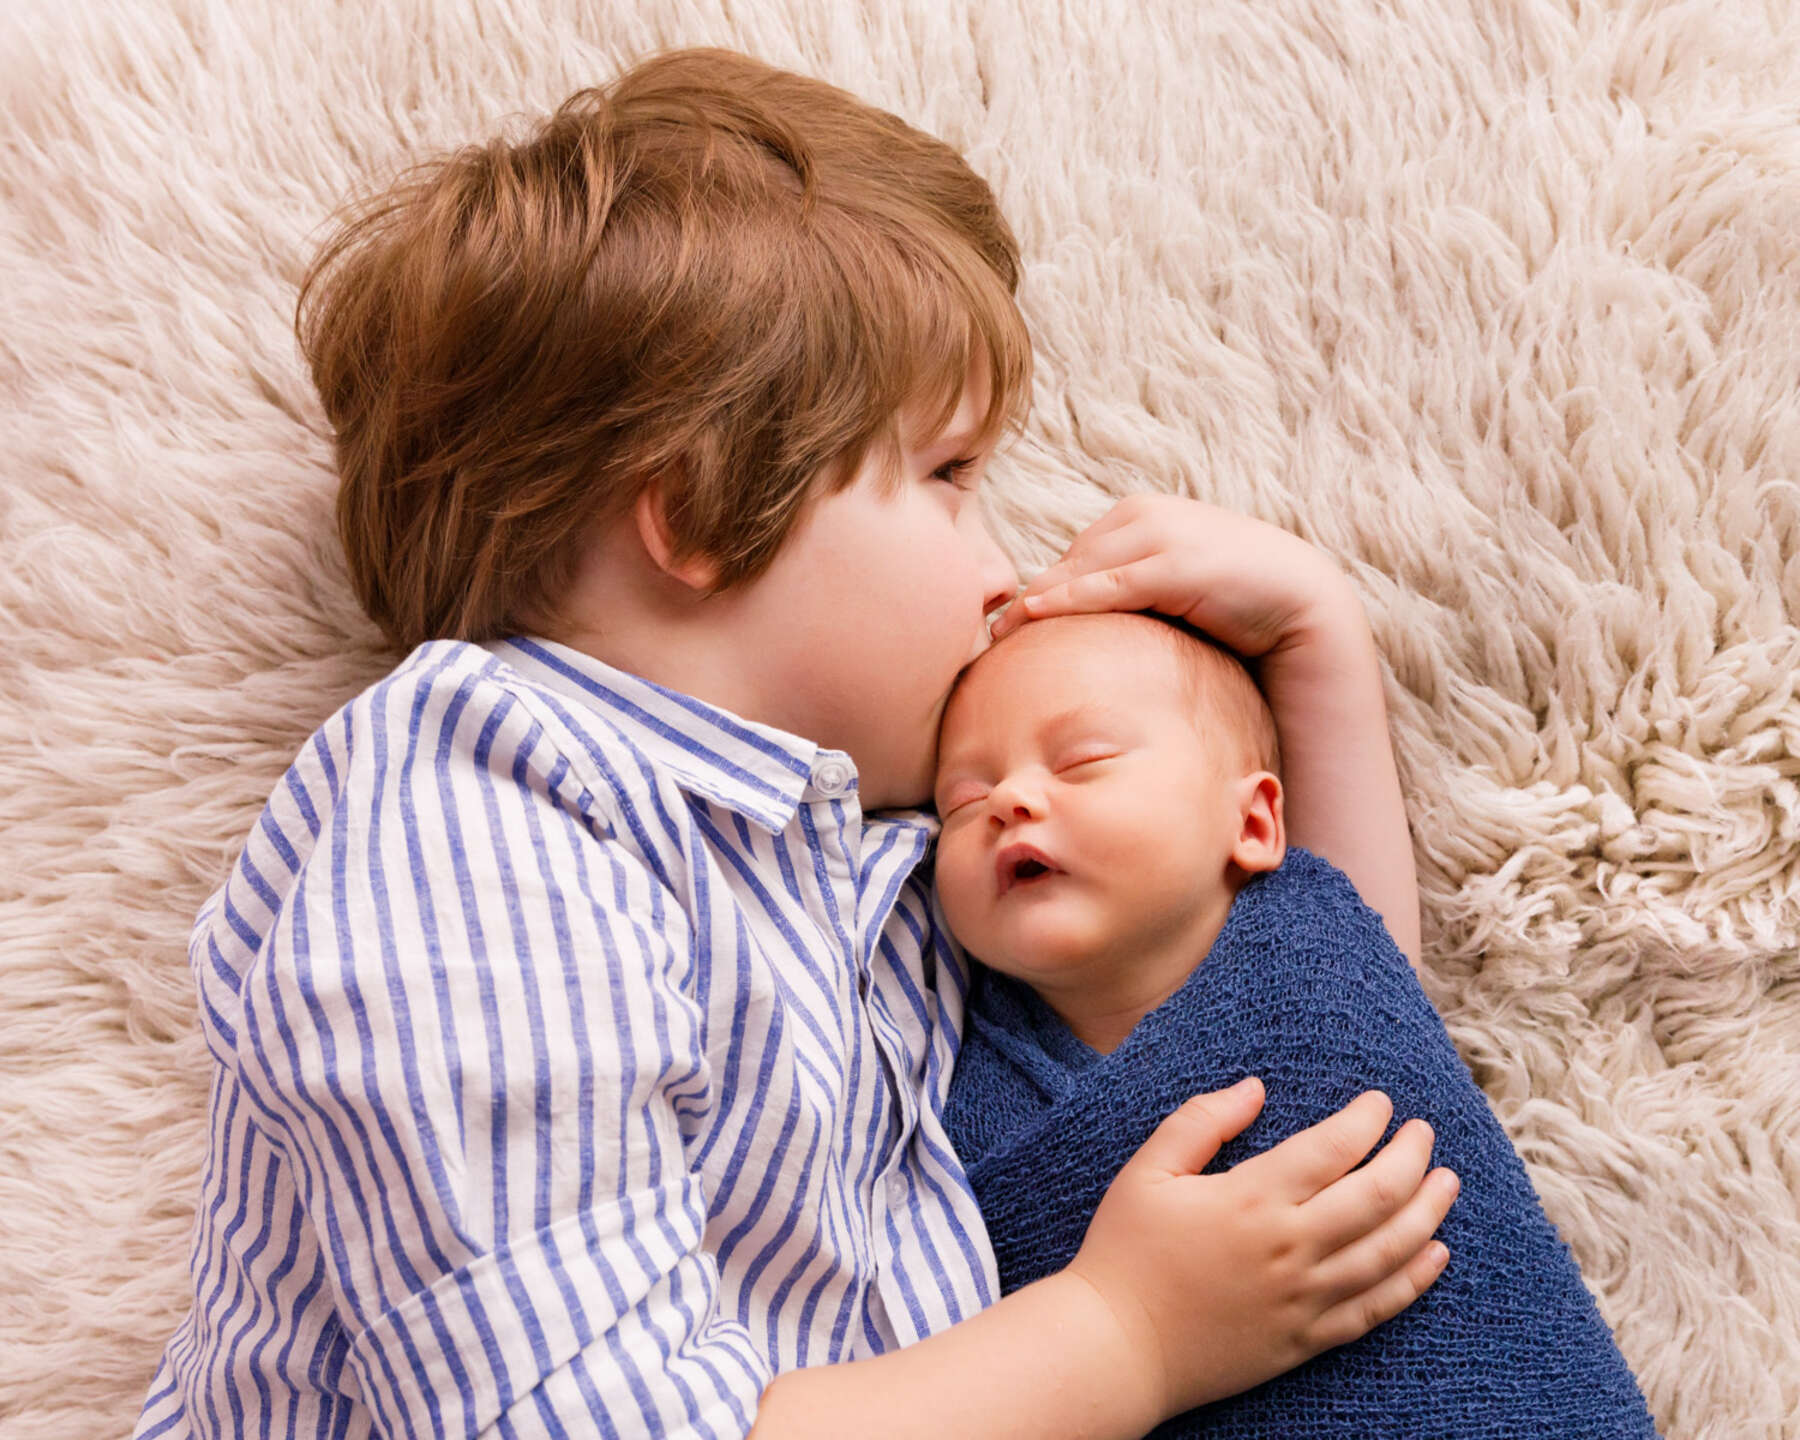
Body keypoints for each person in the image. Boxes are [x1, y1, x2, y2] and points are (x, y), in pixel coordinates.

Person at [133, 48, 1456, 1440]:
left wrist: (1321, 654)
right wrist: (1124, 1335)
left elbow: (1326, 1052)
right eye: (950, 478)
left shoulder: (891, 867)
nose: (1008, 572)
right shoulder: (474, 814)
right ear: (701, 510)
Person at [933, 610, 1659, 1437]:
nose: (1011, 800)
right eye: (962, 800)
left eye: (1084, 761)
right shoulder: (948, 1084)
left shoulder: (1325, 942)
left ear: (1251, 824)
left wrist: (1309, 615)